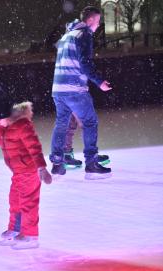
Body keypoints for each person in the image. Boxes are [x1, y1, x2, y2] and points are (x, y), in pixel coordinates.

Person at [0, 90, 52, 250]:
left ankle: (30, 236)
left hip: (30, 172)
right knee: (15, 201)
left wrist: (41, 168)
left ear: (7, 115)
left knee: (28, 202)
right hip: (18, 173)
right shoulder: (0, 128)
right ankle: (16, 229)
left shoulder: (22, 126)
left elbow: (34, 147)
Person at [49, 6, 112, 180]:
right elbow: (85, 63)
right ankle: (91, 164)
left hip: (58, 89)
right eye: (97, 21)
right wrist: (99, 82)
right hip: (74, 88)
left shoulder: (66, 36)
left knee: (61, 124)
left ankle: (57, 163)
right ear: (90, 20)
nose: (98, 25)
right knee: (90, 122)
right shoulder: (84, 34)